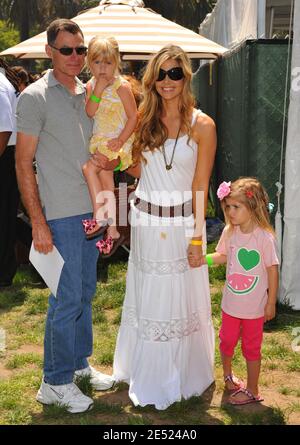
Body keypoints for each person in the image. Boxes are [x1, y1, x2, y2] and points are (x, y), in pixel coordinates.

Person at [15, 18, 115, 414]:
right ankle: (54, 383)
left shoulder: (88, 93)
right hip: (60, 215)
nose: (76, 57)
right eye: (67, 50)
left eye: (80, 49)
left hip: (93, 211)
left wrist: (108, 209)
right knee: (67, 297)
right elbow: (23, 164)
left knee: (85, 295)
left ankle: (77, 366)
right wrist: (37, 222)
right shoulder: (35, 97)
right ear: (49, 52)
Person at [112, 44, 217, 410]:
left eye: (174, 73)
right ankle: (146, 369)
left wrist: (197, 237)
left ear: (186, 76)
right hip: (145, 219)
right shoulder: (141, 118)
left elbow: (200, 184)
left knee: (179, 299)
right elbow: (139, 169)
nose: (167, 81)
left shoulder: (203, 125)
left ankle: (181, 371)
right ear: (152, 79)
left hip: (182, 223)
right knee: (148, 295)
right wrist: (118, 155)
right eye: (161, 74)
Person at [202, 177, 279, 405]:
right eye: (228, 207)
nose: (230, 212)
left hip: (254, 309)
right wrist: (203, 259)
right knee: (226, 341)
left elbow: (272, 271)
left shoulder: (265, 238)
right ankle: (228, 377)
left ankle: (253, 389)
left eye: (236, 207)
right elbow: (224, 255)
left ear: (252, 206)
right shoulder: (229, 232)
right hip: (230, 305)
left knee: (251, 348)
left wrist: (271, 302)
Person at [82, 36, 137, 257]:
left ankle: (98, 217)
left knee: (88, 169)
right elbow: (90, 112)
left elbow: (134, 117)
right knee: (106, 185)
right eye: (97, 63)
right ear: (89, 63)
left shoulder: (122, 86)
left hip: (116, 140)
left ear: (116, 63)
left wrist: (122, 140)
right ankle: (112, 230)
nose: (103, 68)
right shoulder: (90, 86)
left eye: (108, 63)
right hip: (100, 140)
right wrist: (98, 89)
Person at [0, 58, 20, 288]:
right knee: (7, 217)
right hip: (7, 155)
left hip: (5, 156)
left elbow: (3, 130)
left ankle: (4, 274)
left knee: (4, 218)